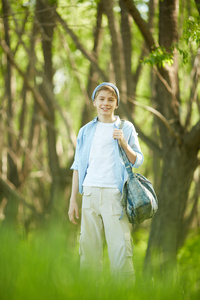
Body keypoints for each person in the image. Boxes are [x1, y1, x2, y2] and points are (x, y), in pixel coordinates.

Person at [68, 82, 144, 282]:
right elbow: (77, 166)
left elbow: (138, 160)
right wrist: (73, 200)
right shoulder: (85, 131)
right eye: (101, 99)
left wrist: (124, 143)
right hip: (90, 194)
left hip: (115, 196)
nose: (105, 103)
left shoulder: (125, 128)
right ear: (94, 102)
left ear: (116, 103)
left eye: (111, 100)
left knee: (120, 252)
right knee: (89, 254)